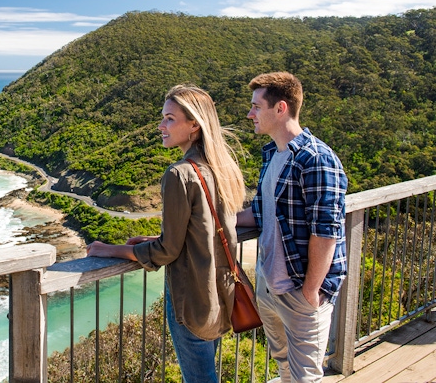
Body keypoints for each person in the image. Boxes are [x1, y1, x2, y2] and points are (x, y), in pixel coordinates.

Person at [87, 84, 246, 382]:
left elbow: (166, 252)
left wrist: (111, 249)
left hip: (192, 301)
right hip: (220, 293)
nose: (161, 125)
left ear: (194, 125)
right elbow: (202, 232)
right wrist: (152, 241)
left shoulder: (179, 174)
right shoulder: (220, 168)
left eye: (170, 118)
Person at [236, 72, 347, 383]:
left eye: (256, 106)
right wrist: (213, 218)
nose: (250, 114)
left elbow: (326, 231)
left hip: (300, 290)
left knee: (305, 378)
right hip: (269, 287)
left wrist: (311, 291)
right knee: (283, 365)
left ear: (280, 108)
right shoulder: (273, 154)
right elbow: (259, 215)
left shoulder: (316, 159)